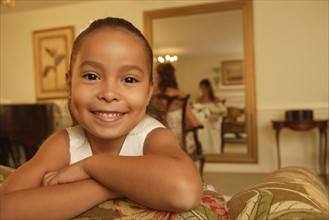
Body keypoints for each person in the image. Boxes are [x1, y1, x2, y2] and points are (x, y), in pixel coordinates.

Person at [0, 17, 203, 219]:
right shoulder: (64, 143)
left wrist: (91, 166)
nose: (108, 93)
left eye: (129, 79)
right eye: (91, 76)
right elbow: (5, 208)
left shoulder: (152, 135)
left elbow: (184, 191)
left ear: (149, 92)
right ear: (70, 85)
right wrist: (106, 185)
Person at [152, 63, 202, 140]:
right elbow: (192, 120)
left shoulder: (152, 94)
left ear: (158, 76)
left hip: (155, 135)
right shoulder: (181, 95)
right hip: (177, 137)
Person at [194, 79, 227, 154]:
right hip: (203, 122)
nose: (203, 90)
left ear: (208, 88)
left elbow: (221, 113)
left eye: (204, 87)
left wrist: (216, 117)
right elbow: (196, 112)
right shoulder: (198, 100)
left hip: (213, 122)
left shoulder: (215, 99)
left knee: (211, 129)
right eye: (201, 87)